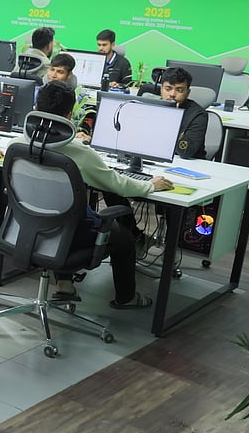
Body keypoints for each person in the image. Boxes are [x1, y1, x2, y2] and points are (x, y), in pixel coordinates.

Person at [23, 83, 173, 309]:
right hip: (67, 232)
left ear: (35, 107)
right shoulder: (79, 153)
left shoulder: (18, 143)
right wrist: (150, 186)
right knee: (124, 239)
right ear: (69, 114)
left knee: (62, 212)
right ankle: (126, 298)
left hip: (27, 226)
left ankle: (64, 282)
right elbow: (118, 185)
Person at [159, 66, 208, 160]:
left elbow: (186, 152)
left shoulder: (198, 115)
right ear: (161, 89)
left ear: (187, 92)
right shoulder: (151, 108)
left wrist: (173, 118)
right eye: (168, 89)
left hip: (188, 163)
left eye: (179, 90)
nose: (172, 94)